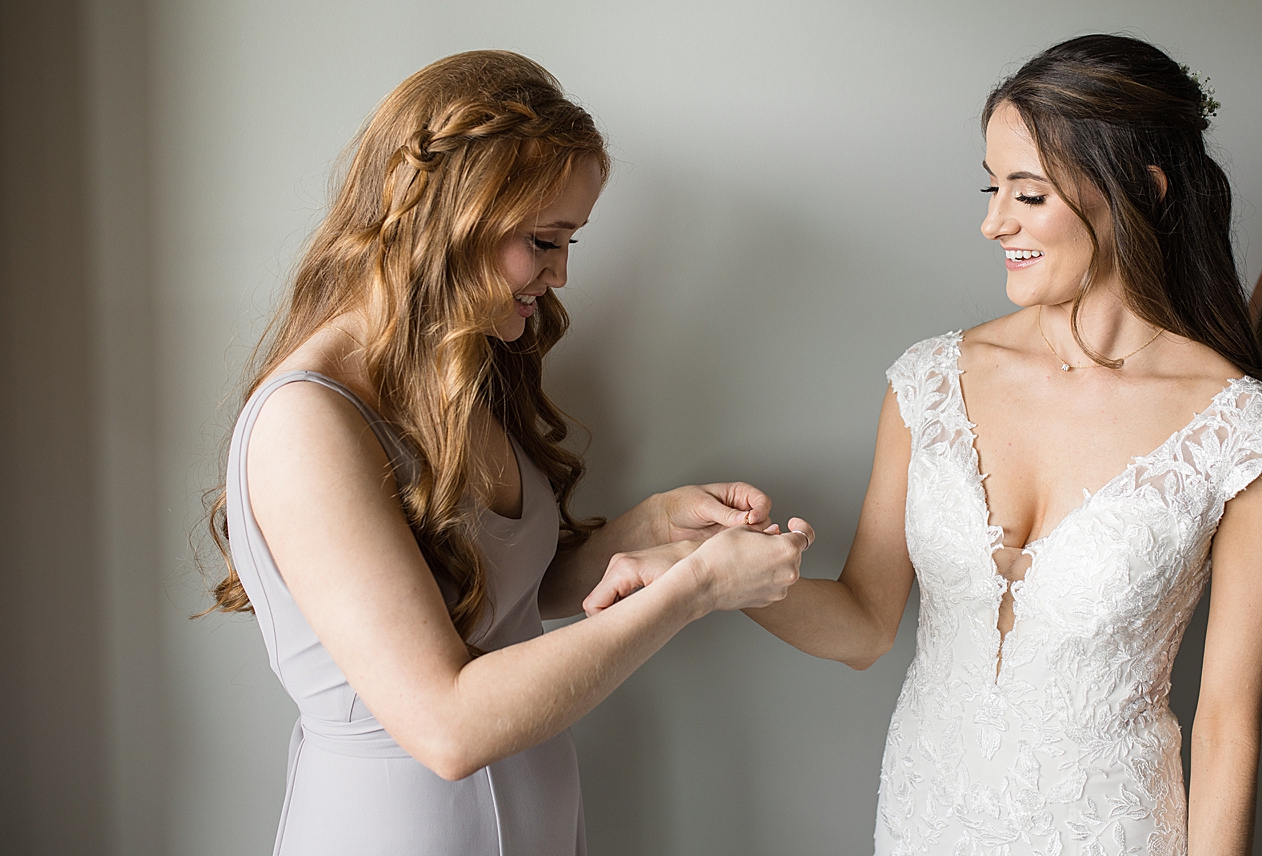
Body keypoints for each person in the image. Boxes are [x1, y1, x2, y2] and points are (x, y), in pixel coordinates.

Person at [594, 34, 1262, 855]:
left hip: (1112, 831)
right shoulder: (929, 384)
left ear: (1143, 192)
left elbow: (1227, 726)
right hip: (925, 818)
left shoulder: (1246, 438)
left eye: (1028, 194)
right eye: (992, 186)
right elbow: (865, 623)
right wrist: (704, 574)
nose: (992, 221)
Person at [199, 49, 813, 856]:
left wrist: (651, 527)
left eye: (569, 241)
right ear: (449, 217)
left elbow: (500, 606)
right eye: (543, 239)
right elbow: (446, 726)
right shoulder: (306, 423)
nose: (559, 272)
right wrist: (693, 590)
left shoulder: (461, 372)